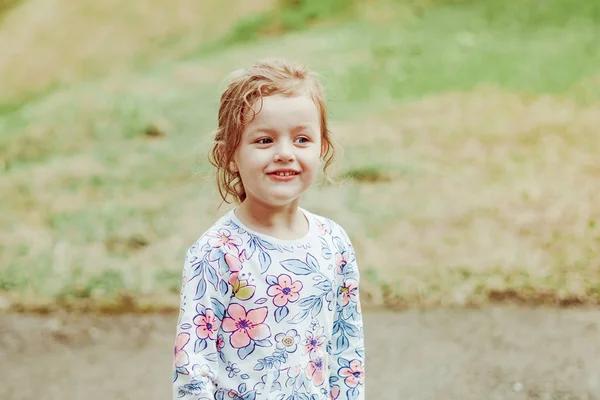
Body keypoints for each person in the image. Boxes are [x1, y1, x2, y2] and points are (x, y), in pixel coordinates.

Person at [172, 58, 365, 400]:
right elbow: (193, 364)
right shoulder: (217, 252)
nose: (284, 153)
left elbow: (346, 348)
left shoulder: (333, 243)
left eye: (302, 139)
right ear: (230, 154)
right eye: (264, 141)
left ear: (322, 148)